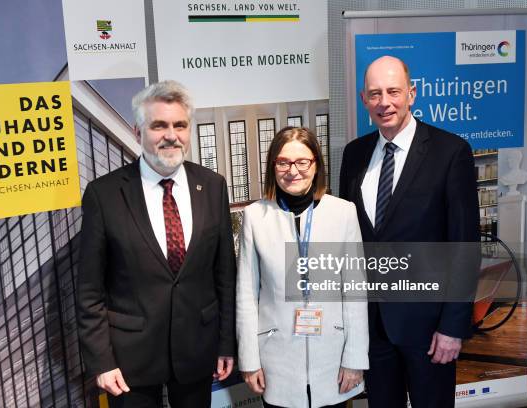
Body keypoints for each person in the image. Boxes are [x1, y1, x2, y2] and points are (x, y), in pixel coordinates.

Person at [77, 80, 236, 408]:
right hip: (129, 361)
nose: (171, 135)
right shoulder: (103, 195)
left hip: (197, 351)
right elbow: (90, 291)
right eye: (159, 125)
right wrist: (102, 361)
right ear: (138, 132)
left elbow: (225, 277)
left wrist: (226, 344)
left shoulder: (213, 186)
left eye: (180, 125)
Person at [339, 55, 479, 407]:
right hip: (372, 327)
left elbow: (464, 246)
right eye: (374, 94)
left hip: (430, 330)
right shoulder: (354, 155)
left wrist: (452, 326)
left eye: (393, 91)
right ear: (363, 99)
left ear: (412, 94)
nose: (384, 102)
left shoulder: (450, 152)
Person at [236, 127, 369, 408]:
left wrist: (355, 359)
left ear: (316, 164)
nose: (292, 170)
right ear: (273, 166)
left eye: (302, 162)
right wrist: (249, 360)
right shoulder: (256, 216)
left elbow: (355, 292)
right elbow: (246, 297)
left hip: (332, 360)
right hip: (276, 361)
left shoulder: (343, 213)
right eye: (283, 162)